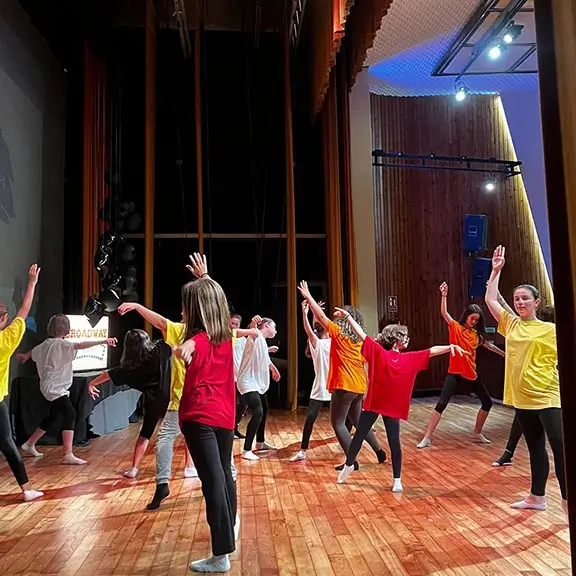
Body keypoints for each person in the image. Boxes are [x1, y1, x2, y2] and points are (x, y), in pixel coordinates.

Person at [335, 311, 469, 491]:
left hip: (391, 406)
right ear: (394, 339)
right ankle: (349, 464)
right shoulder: (378, 352)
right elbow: (361, 334)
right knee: (359, 435)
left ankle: (397, 478)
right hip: (375, 402)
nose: (407, 339)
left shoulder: (408, 358)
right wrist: (348, 317)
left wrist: (450, 346)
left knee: (394, 441)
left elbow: (431, 351)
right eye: (403, 336)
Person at [485, 245, 566, 519]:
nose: (519, 302)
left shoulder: (551, 330)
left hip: (547, 395)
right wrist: (496, 271)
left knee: (560, 449)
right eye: (517, 299)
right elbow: (491, 302)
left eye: (524, 299)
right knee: (534, 448)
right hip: (522, 398)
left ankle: (568, 505)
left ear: (536, 302)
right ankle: (537, 497)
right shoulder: (512, 325)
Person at [173, 252, 238, 573]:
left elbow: (193, 345)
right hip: (225, 415)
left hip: (200, 417)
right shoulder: (225, 334)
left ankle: (221, 553)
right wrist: (205, 278)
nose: (183, 311)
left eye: (187, 306)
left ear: (195, 311)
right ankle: (231, 530)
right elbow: (216, 301)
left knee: (212, 481)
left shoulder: (198, 338)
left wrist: (182, 350)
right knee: (223, 475)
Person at [297, 281, 386, 470]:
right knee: (357, 421)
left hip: (344, 384)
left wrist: (308, 296)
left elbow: (321, 318)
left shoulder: (338, 334)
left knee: (338, 423)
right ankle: (378, 450)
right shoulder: (362, 340)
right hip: (359, 386)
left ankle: (351, 461)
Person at [19, 314, 116, 465]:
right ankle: (68, 454)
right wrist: (103, 341)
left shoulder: (44, 345)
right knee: (70, 414)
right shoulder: (62, 345)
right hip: (55, 388)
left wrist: (25, 356)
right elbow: (81, 344)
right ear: (66, 328)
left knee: (54, 416)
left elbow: (33, 352)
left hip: (48, 387)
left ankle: (29, 444)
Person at [417, 282, 505, 449]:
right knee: (441, 403)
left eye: (477, 320)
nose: (474, 322)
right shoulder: (456, 327)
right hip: (455, 371)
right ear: (466, 316)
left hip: (471, 372)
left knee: (487, 402)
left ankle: (477, 433)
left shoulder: (476, 335)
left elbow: (489, 346)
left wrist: (505, 355)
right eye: (472, 318)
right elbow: (444, 313)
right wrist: (444, 295)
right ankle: (427, 437)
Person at [86, 329, 172, 478]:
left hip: (153, 401)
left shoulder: (128, 369)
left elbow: (109, 374)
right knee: (188, 432)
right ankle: (189, 467)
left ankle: (133, 469)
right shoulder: (159, 351)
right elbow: (171, 332)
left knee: (145, 434)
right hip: (173, 395)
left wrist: (91, 383)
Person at [492, 304, 556, 468]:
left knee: (553, 433)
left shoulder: (550, 332)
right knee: (522, 419)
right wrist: (496, 294)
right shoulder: (528, 329)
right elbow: (512, 317)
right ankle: (508, 452)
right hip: (532, 387)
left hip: (550, 385)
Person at [0, 264, 43, 501]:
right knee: (7, 444)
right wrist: (32, 283)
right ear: (4, 320)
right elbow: (25, 310)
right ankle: (26, 490)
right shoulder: (6, 340)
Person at [289, 300, 331, 462]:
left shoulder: (335, 341)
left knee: (345, 419)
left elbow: (322, 321)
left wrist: (315, 311)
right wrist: (305, 314)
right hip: (321, 386)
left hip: (336, 385)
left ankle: (348, 444)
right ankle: (303, 450)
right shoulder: (317, 343)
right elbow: (309, 329)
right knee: (311, 418)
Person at [236, 316, 281, 460]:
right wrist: (253, 324)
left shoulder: (262, 341)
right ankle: (246, 449)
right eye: (274, 327)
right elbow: (252, 332)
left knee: (264, 408)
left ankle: (260, 442)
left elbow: (264, 358)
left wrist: (274, 369)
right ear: (266, 325)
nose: (276, 330)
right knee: (258, 411)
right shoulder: (255, 335)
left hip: (256, 382)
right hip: (248, 381)